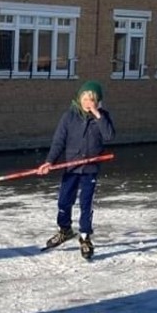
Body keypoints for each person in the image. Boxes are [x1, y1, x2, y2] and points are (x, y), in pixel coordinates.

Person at [39, 79, 116, 260]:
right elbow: (59, 141)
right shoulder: (69, 116)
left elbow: (110, 136)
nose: (88, 102)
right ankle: (64, 230)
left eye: (92, 99)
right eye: (85, 98)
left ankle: (85, 237)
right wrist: (49, 161)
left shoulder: (102, 117)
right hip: (71, 167)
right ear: (79, 99)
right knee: (64, 201)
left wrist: (97, 114)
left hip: (90, 168)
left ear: (98, 101)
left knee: (86, 203)